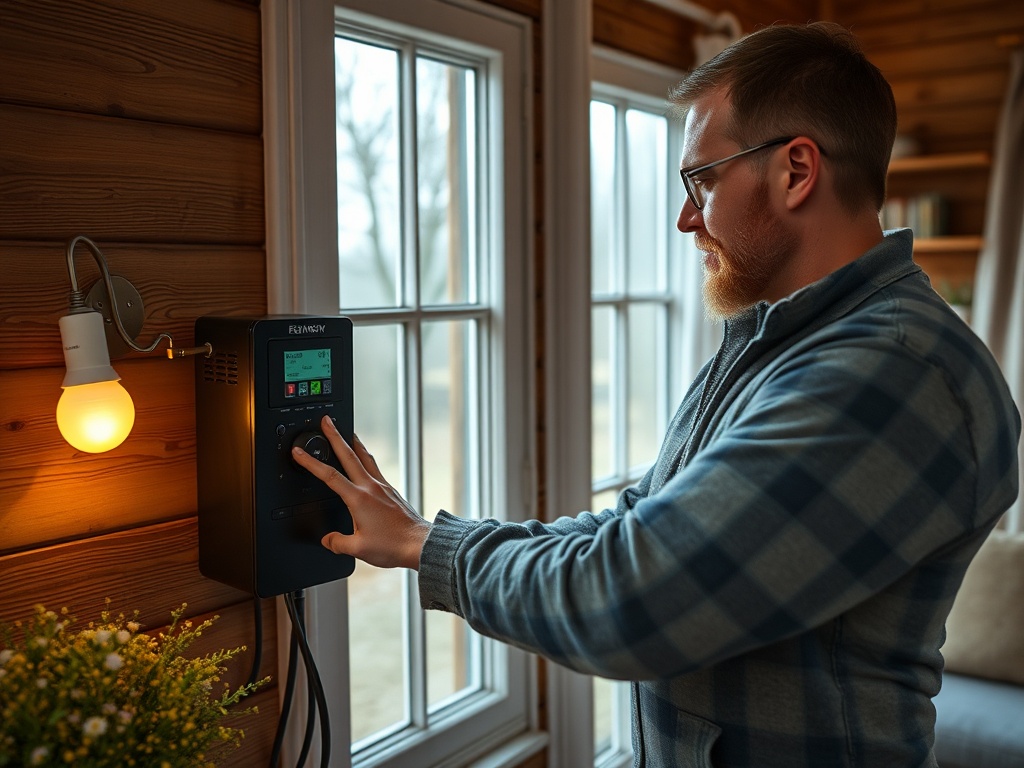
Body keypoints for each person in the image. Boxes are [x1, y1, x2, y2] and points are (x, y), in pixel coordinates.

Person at [294, 21, 1021, 768]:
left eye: (701, 180)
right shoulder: (778, 344)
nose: (686, 217)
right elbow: (638, 531)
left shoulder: (889, 374)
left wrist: (425, 547)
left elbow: (633, 601)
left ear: (796, 170)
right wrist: (425, 531)